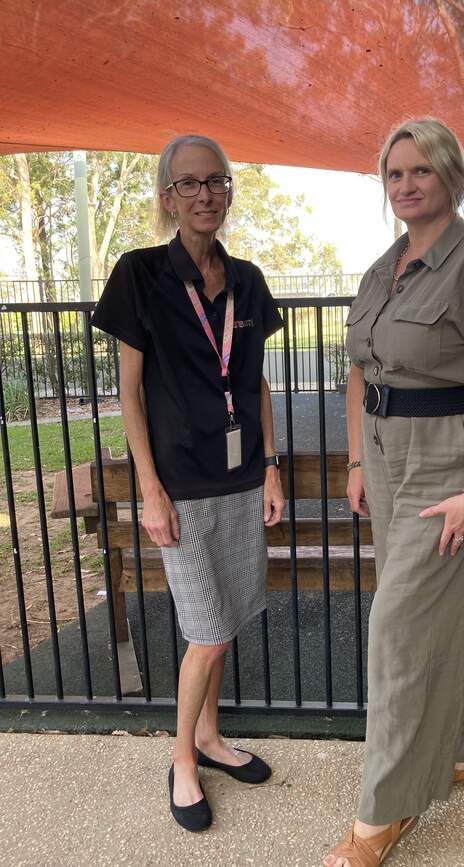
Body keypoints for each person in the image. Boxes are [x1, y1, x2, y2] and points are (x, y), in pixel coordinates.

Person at [324, 118, 464, 866]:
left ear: (451, 176)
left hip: (452, 458)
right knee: (430, 615)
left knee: (398, 631)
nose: (406, 184)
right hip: (386, 458)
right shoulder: (381, 271)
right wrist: (356, 461)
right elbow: (359, 371)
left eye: (421, 169)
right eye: (395, 173)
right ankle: (459, 752)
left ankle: (382, 813)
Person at [91, 134, 285, 832]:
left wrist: (270, 467)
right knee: (205, 630)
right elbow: (130, 394)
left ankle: (209, 736)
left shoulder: (248, 281)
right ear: (167, 198)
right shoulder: (140, 274)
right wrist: (149, 487)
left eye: (217, 181)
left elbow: (254, 383)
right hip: (180, 487)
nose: (206, 195)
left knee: (225, 619)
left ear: (229, 190)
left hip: (240, 479)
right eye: (190, 184)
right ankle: (181, 759)